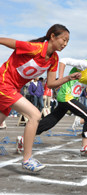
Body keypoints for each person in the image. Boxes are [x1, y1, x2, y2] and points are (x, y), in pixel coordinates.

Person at [0, 24, 79, 172]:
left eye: (68, 41)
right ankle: (27, 160)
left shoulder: (54, 58)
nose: (65, 44)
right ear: (52, 36)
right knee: (35, 114)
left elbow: (51, 83)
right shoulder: (35, 48)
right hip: (3, 83)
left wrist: (69, 77)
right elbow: (4, 41)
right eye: (63, 39)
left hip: (13, 88)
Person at [17, 50, 87, 158]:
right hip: (66, 96)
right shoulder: (85, 64)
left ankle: (23, 139)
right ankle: (85, 148)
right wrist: (60, 79)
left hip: (71, 97)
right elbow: (64, 60)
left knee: (50, 121)